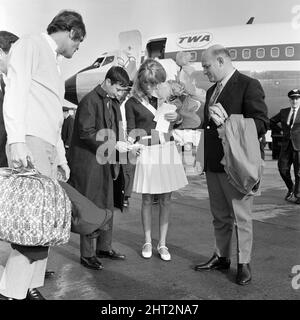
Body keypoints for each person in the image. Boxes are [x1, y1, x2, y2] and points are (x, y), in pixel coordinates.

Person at [0, 10, 86, 300]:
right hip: (32, 142)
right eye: (79, 42)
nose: (78, 48)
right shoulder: (29, 45)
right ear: (72, 32)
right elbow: (16, 92)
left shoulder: (55, 61)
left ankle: (29, 286)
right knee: (31, 222)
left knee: (45, 223)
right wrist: (16, 141)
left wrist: (60, 155)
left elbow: (54, 115)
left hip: (48, 145)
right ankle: (12, 292)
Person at [194, 45, 269, 285]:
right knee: (220, 216)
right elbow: (207, 126)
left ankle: (244, 263)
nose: (204, 71)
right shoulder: (210, 92)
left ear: (220, 61)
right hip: (214, 163)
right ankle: (222, 256)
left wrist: (229, 124)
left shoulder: (248, 84)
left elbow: (260, 122)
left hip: (236, 164)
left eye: (206, 66)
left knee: (241, 218)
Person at [125, 58, 188, 261]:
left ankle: (162, 243)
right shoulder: (132, 103)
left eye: (155, 83)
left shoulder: (165, 99)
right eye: (147, 83)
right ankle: (147, 241)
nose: (151, 87)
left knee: (166, 199)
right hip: (148, 152)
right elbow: (132, 132)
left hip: (166, 149)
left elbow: (178, 123)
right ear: (140, 81)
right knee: (146, 199)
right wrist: (134, 144)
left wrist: (176, 118)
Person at [68, 66, 130, 270]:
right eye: (119, 89)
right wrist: (113, 145)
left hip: (106, 161)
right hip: (89, 163)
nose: (120, 93)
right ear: (108, 82)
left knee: (107, 203)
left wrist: (125, 141)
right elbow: (86, 133)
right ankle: (87, 254)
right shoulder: (89, 101)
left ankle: (104, 247)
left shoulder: (112, 102)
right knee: (91, 205)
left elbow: (115, 129)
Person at [270, 89, 300, 204]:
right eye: (292, 99)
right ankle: (291, 188)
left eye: (297, 98)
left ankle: (297, 195)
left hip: (299, 146)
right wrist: (281, 130)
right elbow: (271, 121)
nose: (295, 101)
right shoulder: (284, 112)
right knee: (282, 168)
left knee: (298, 172)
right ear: (289, 100)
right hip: (286, 145)